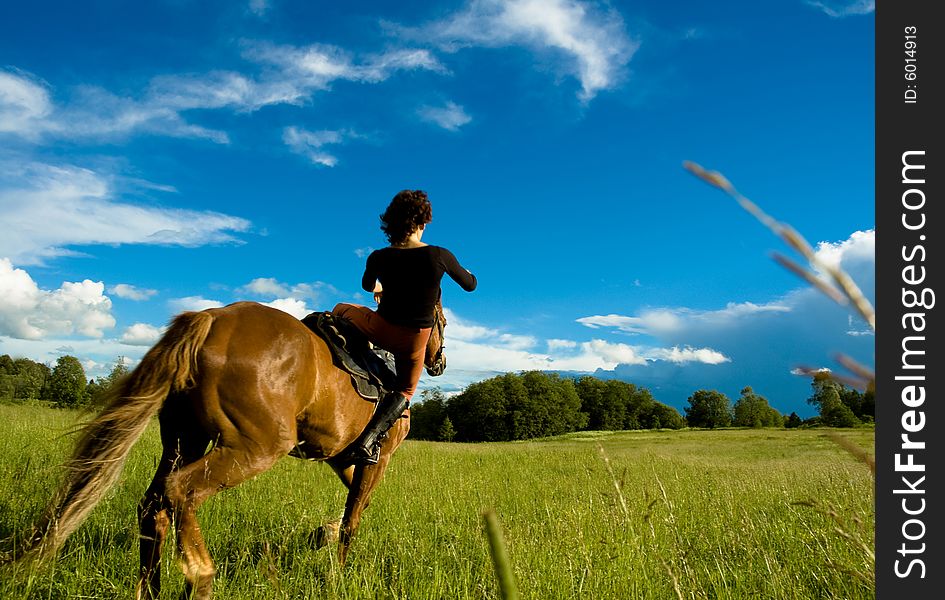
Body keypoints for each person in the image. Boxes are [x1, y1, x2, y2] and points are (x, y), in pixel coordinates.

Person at [332, 189, 477, 464]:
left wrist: (379, 287)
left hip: (380, 329)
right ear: (423, 223)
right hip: (413, 343)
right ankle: (368, 441)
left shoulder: (378, 257)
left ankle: (350, 354)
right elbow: (470, 285)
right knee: (406, 391)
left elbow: (365, 285)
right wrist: (467, 272)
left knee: (340, 308)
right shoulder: (440, 256)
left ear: (390, 225)